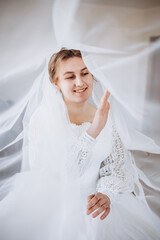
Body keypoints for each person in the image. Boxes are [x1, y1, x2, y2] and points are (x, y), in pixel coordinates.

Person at [0, 48, 160, 240]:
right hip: (57, 207)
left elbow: (118, 167)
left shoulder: (105, 114)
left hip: (98, 205)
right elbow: (61, 176)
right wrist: (93, 131)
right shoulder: (43, 119)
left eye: (85, 73)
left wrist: (106, 193)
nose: (80, 82)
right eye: (70, 76)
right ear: (56, 83)